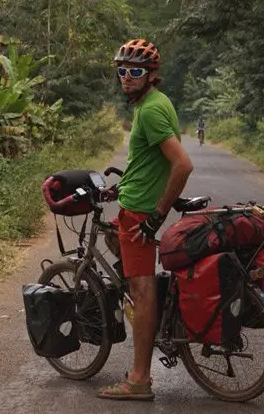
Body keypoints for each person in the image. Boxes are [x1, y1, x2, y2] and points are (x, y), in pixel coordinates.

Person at [98, 38, 193, 401]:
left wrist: (155, 217)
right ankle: (148, 333)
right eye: (122, 71)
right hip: (133, 205)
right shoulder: (154, 104)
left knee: (142, 292)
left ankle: (139, 380)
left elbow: (182, 164)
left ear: (153, 75)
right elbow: (151, 160)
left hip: (139, 214)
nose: (127, 77)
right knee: (136, 284)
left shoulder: (150, 110)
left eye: (135, 71)